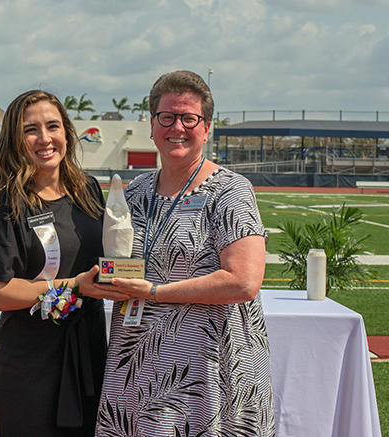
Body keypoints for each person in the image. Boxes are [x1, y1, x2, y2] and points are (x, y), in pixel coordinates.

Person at [93, 70, 275, 436]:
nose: (177, 127)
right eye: (167, 117)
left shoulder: (230, 192)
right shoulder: (135, 192)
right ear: (152, 124)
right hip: (136, 372)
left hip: (206, 378)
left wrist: (155, 293)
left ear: (206, 127)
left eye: (189, 118)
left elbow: (244, 282)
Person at [0, 90, 128, 436]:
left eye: (53, 126)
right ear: (15, 140)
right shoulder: (5, 204)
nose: (44, 139)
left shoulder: (87, 188)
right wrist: (74, 285)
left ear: (66, 133)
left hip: (87, 356)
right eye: (31, 130)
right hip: (29, 364)